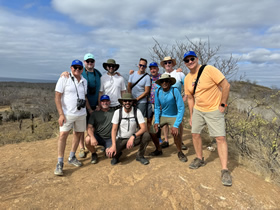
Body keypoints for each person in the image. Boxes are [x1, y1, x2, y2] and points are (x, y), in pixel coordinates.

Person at [183, 51, 232, 186]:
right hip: (199, 110)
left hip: (213, 109)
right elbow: (191, 98)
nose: (190, 62)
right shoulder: (187, 78)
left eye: (192, 59)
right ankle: (199, 158)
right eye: (187, 60)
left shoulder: (209, 69)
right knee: (195, 134)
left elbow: (226, 85)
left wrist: (223, 104)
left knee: (220, 138)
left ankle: (224, 169)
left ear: (197, 59)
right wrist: (192, 115)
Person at [54, 59, 88, 176]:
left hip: (81, 113)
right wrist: (61, 114)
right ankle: (59, 162)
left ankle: (72, 156)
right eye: (75, 67)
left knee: (78, 134)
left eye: (79, 68)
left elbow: (84, 97)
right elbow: (57, 97)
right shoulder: (64, 78)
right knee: (63, 135)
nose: (77, 70)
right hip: (67, 114)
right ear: (71, 68)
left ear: (82, 69)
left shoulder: (84, 81)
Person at [106, 93, 151, 165]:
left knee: (146, 135)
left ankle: (140, 156)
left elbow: (144, 128)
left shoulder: (137, 111)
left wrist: (133, 136)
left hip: (133, 138)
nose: (127, 103)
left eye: (129, 101)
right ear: (122, 102)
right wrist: (113, 145)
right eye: (125, 101)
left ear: (132, 102)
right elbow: (114, 130)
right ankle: (117, 156)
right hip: (121, 139)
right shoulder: (118, 112)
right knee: (110, 154)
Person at [153, 74, 187, 162]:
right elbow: (156, 107)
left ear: (170, 82)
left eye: (166, 81)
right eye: (162, 81)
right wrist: (157, 121)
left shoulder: (174, 91)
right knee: (151, 131)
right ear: (160, 83)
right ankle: (158, 149)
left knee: (176, 133)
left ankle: (179, 151)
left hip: (174, 115)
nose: (164, 83)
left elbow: (181, 108)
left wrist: (176, 125)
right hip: (163, 115)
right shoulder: (157, 91)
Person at [160, 56, 187, 150]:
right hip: (165, 102)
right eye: (165, 63)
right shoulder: (162, 76)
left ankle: (180, 140)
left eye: (169, 62)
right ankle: (166, 140)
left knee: (179, 121)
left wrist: (185, 96)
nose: (167, 64)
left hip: (177, 102)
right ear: (163, 65)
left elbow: (186, 84)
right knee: (166, 122)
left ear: (172, 63)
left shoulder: (179, 73)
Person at [85, 95, 115, 164]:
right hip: (98, 137)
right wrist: (92, 137)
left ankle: (107, 148)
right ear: (100, 103)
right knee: (87, 139)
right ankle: (94, 153)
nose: (105, 103)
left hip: (110, 138)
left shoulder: (114, 112)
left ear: (109, 102)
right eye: (103, 101)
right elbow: (89, 127)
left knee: (111, 155)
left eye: (107, 101)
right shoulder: (95, 114)